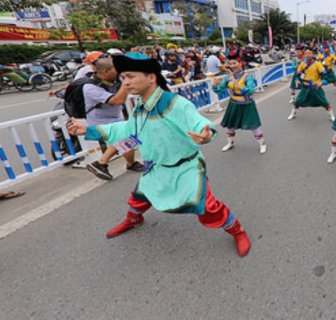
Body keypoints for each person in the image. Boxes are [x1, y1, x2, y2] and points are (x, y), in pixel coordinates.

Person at [66, 52, 251, 256]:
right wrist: (87, 130)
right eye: (123, 78)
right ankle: (134, 219)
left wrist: (205, 134)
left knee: (208, 207)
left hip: (185, 168)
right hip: (156, 166)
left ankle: (238, 231)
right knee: (138, 197)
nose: (125, 83)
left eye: (130, 76)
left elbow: (199, 123)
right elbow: (128, 130)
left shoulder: (173, 103)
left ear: (151, 77)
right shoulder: (140, 106)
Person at [83, 57, 144, 180]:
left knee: (128, 140)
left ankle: (130, 164)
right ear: (106, 71)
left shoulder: (113, 80)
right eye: (117, 70)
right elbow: (118, 100)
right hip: (100, 121)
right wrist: (125, 81)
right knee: (125, 138)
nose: (119, 73)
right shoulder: (90, 87)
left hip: (116, 117)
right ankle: (101, 163)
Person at [212, 46, 267, 154]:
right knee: (229, 126)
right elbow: (220, 91)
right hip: (233, 104)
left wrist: (240, 87)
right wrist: (214, 86)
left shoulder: (247, 77)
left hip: (247, 104)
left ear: (241, 63)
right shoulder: (227, 77)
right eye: (230, 64)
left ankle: (262, 144)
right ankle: (230, 143)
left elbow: (251, 91)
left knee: (253, 127)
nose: (232, 66)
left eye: (234, 63)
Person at [287, 46, 335, 122]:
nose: (308, 55)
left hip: (316, 88)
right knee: (297, 102)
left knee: (324, 102)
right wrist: (297, 80)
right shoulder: (302, 64)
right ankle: (293, 114)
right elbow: (297, 75)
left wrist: (322, 82)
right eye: (306, 53)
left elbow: (325, 76)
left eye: (309, 53)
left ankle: (331, 116)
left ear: (313, 54)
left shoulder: (318, 64)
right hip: (305, 88)